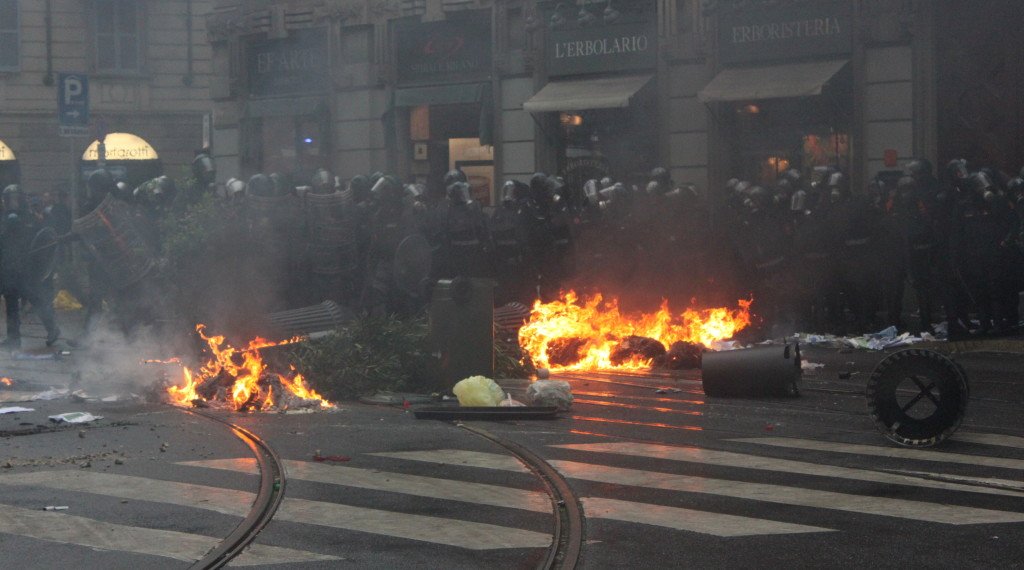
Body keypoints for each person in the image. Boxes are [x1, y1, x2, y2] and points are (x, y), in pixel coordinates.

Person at [0, 185, 60, 348]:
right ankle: (13, 338)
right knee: (11, 304)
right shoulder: (5, 217)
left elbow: (41, 239)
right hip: (9, 268)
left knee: (37, 300)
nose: (10, 202)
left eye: (13, 198)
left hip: (26, 268)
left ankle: (52, 328)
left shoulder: (31, 217)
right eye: (8, 199)